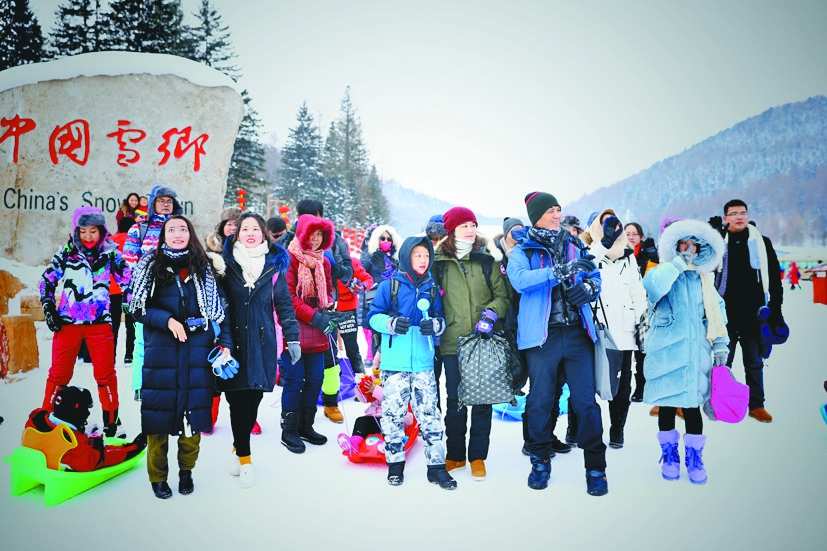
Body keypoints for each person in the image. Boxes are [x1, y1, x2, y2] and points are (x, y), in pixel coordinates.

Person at [507, 192, 608, 496]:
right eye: (550, 210)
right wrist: (561, 271)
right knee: (540, 401)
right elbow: (520, 281)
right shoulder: (523, 249)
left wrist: (589, 287)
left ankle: (595, 468)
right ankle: (539, 461)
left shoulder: (574, 244)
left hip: (578, 334)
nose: (557, 215)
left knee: (586, 403)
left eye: (558, 209)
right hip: (541, 338)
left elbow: (594, 274)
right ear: (536, 216)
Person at [129, 215, 232, 499]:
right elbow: (137, 308)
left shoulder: (205, 267)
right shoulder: (151, 266)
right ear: (163, 235)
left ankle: (186, 472)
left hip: (197, 354)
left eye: (183, 229)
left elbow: (220, 313)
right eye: (171, 229)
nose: (177, 234)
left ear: (190, 234)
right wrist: (167, 320)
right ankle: (158, 477)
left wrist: (224, 343)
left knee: (192, 419)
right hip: (161, 355)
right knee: (158, 420)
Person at [217, 212, 300, 488]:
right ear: (236, 234)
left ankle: (236, 446)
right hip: (233, 343)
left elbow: (284, 305)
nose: (250, 233)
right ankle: (245, 459)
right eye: (245, 229)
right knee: (237, 401)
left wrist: (293, 338)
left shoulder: (275, 266)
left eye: (255, 229)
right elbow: (218, 305)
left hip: (264, 342)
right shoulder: (224, 265)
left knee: (254, 400)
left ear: (264, 234)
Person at [643, 219, 729, 484]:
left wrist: (721, 346)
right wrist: (678, 264)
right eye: (683, 244)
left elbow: (717, 314)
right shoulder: (661, 271)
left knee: (692, 408)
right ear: (674, 245)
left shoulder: (704, 280)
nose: (689, 249)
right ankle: (670, 456)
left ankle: (695, 458)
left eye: (694, 245)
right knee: (667, 406)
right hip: (666, 354)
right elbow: (653, 287)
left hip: (695, 353)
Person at [367, 235, 456, 489]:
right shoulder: (390, 286)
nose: (423, 260)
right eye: (418, 255)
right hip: (395, 363)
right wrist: (391, 324)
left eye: (426, 255)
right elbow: (373, 317)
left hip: (424, 363)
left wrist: (435, 325)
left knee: (429, 414)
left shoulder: (431, 287)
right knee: (393, 413)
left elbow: (441, 318)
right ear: (407, 256)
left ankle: (436, 467)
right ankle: (395, 464)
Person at [40, 206, 131, 438]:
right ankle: (46, 419)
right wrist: (48, 306)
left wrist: (134, 304)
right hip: (67, 323)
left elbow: (128, 279)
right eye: (83, 231)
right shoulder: (66, 252)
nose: (88, 236)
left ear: (101, 230)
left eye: (93, 231)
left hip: (99, 324)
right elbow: (47, 280)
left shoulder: (111, 253)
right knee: (59, 374)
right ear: (76, 231)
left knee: (105, 375)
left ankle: (112, 421)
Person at [433, 206, 508, 482]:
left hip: (482, 340)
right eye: (464, 225)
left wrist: (491, 314)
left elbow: (504, 296)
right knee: (455, 399)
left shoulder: (488, 258)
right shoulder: (438, 260)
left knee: (482, 399)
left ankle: (477, 457)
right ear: (452, 229)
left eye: (473, 225)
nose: (470, 230)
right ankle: (455, 455)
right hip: (451, 340)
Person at [280, 214, 349, 454]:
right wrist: (316, 317)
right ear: (301, 234)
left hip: (317, 327)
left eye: (320, 234)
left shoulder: (324, 262)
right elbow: (288, 298)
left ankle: (305, 425)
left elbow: (327, 293)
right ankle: (289, 429)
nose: (316, 239)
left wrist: (329, 308)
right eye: (312, 234)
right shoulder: (289, 259)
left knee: (315, 378)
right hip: (293, 328)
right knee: (295, 379)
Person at [712, 199, 783, 423]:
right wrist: (712, 234)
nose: (739, 217)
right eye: (733, 213)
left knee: (754, 362)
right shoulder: (718, 242)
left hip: (754, 314)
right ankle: (720, 403)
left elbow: (774, 277)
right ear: (726, 218)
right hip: (725, 314)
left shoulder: (761, 242)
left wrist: (776, 309)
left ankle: (757, 405)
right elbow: (705, 269)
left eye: (742, 212)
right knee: (723, 362)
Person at [582, 209, 646, 448]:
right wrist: (604, 242)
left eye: (615, 224)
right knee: (586, 382)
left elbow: (637, 291)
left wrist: (642, 322)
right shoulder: (587, 252)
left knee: (622, 383)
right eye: (605, 224)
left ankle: (617, 429)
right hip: (595, 329)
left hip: (624, 329)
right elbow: (583, 268)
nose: (612, 228)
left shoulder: (628, 257)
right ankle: (577, 428)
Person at [123, 186, 184, 401]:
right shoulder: (139, 228)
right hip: (145, 295)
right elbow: (128, 264)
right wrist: (132, 293)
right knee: (142, 343)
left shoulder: (181, 228)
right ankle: (140, 385)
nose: (166, 204)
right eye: (161, 201)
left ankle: (170, 385)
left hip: (174, 294)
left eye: (169, 201)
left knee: (172, 342)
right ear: (152, 204)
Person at [22, 386, 146, 472]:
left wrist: (95, 431)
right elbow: (99, 458)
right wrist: (135, 447)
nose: (87, 413)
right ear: (77, 412)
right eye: (86, 409)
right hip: (62, 470)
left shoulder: (36, 418)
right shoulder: (73, 445)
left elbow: (63, 427)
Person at [203, 205, 245, 435]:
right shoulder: (210, 250)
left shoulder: (250, 250)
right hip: (219, 313)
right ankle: (209, 416)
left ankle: (246, 417)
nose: (233, 227)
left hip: (243, 313)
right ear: (222, 226)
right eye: (230, 223)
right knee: (217, 366)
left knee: (242, 369)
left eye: (238, 223)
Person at [624, 221, 659, 402]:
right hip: (624, 306)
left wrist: (653, 257)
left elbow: (650, 281)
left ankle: (642, 387)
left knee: (642, 351)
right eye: (628, 234)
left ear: (641, 236)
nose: (631, 237)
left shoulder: (647, 254)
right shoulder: (620, 253)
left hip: (644, 307)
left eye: (634, 234)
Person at [336, 255, 373, 375]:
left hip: (347, 308)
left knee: (351, 348)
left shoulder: (351, 262)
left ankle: (360, 378)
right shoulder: (320, 259)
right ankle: (333, 379)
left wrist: (362, 286)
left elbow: (367, 279)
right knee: (328, 348)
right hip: (326, 308)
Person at [109, 216, 137, 364]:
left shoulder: (110, 241)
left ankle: (111, 355)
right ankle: (129, 355)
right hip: (130, 289)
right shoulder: (135, 241)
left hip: (112, 289)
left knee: (113, 325)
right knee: (131, 324)